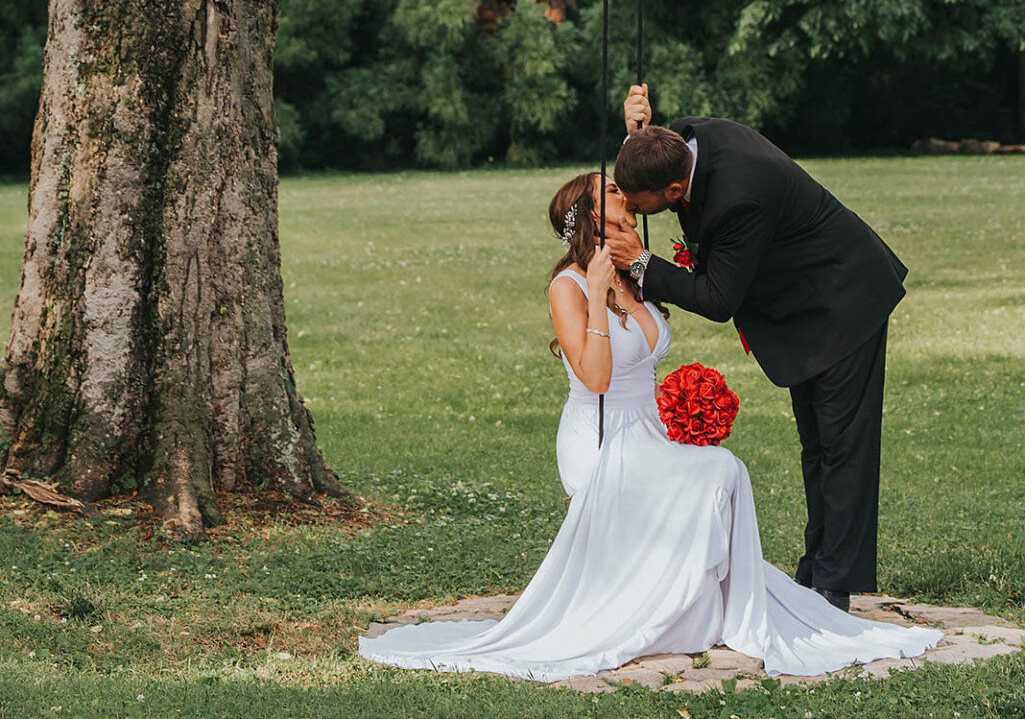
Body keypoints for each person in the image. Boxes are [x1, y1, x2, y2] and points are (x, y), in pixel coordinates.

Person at [358, 171, 939, 683]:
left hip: (649, 434)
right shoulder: (569, 288)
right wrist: (597, 296)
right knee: (721, 470)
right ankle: (677, 611)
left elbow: (669, 308)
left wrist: (630, 277)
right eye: (610, 190)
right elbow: (598, 378)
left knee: (722, 474)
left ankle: (704, 610)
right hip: (602, 438)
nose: (624, 192)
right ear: (588, 216)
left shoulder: (635, 274)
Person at [605, 85, 910, 612]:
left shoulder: (740, 193)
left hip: (842, 299)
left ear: (676, 189)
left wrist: (643, 264)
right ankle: (817, 570)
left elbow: (720, 297)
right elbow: (654, 160)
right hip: (802, 304)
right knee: (817, 445)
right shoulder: (682, 140)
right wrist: (636, 135)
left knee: (843, 447)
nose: (628, 210)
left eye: (637, 203)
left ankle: (834, 589)